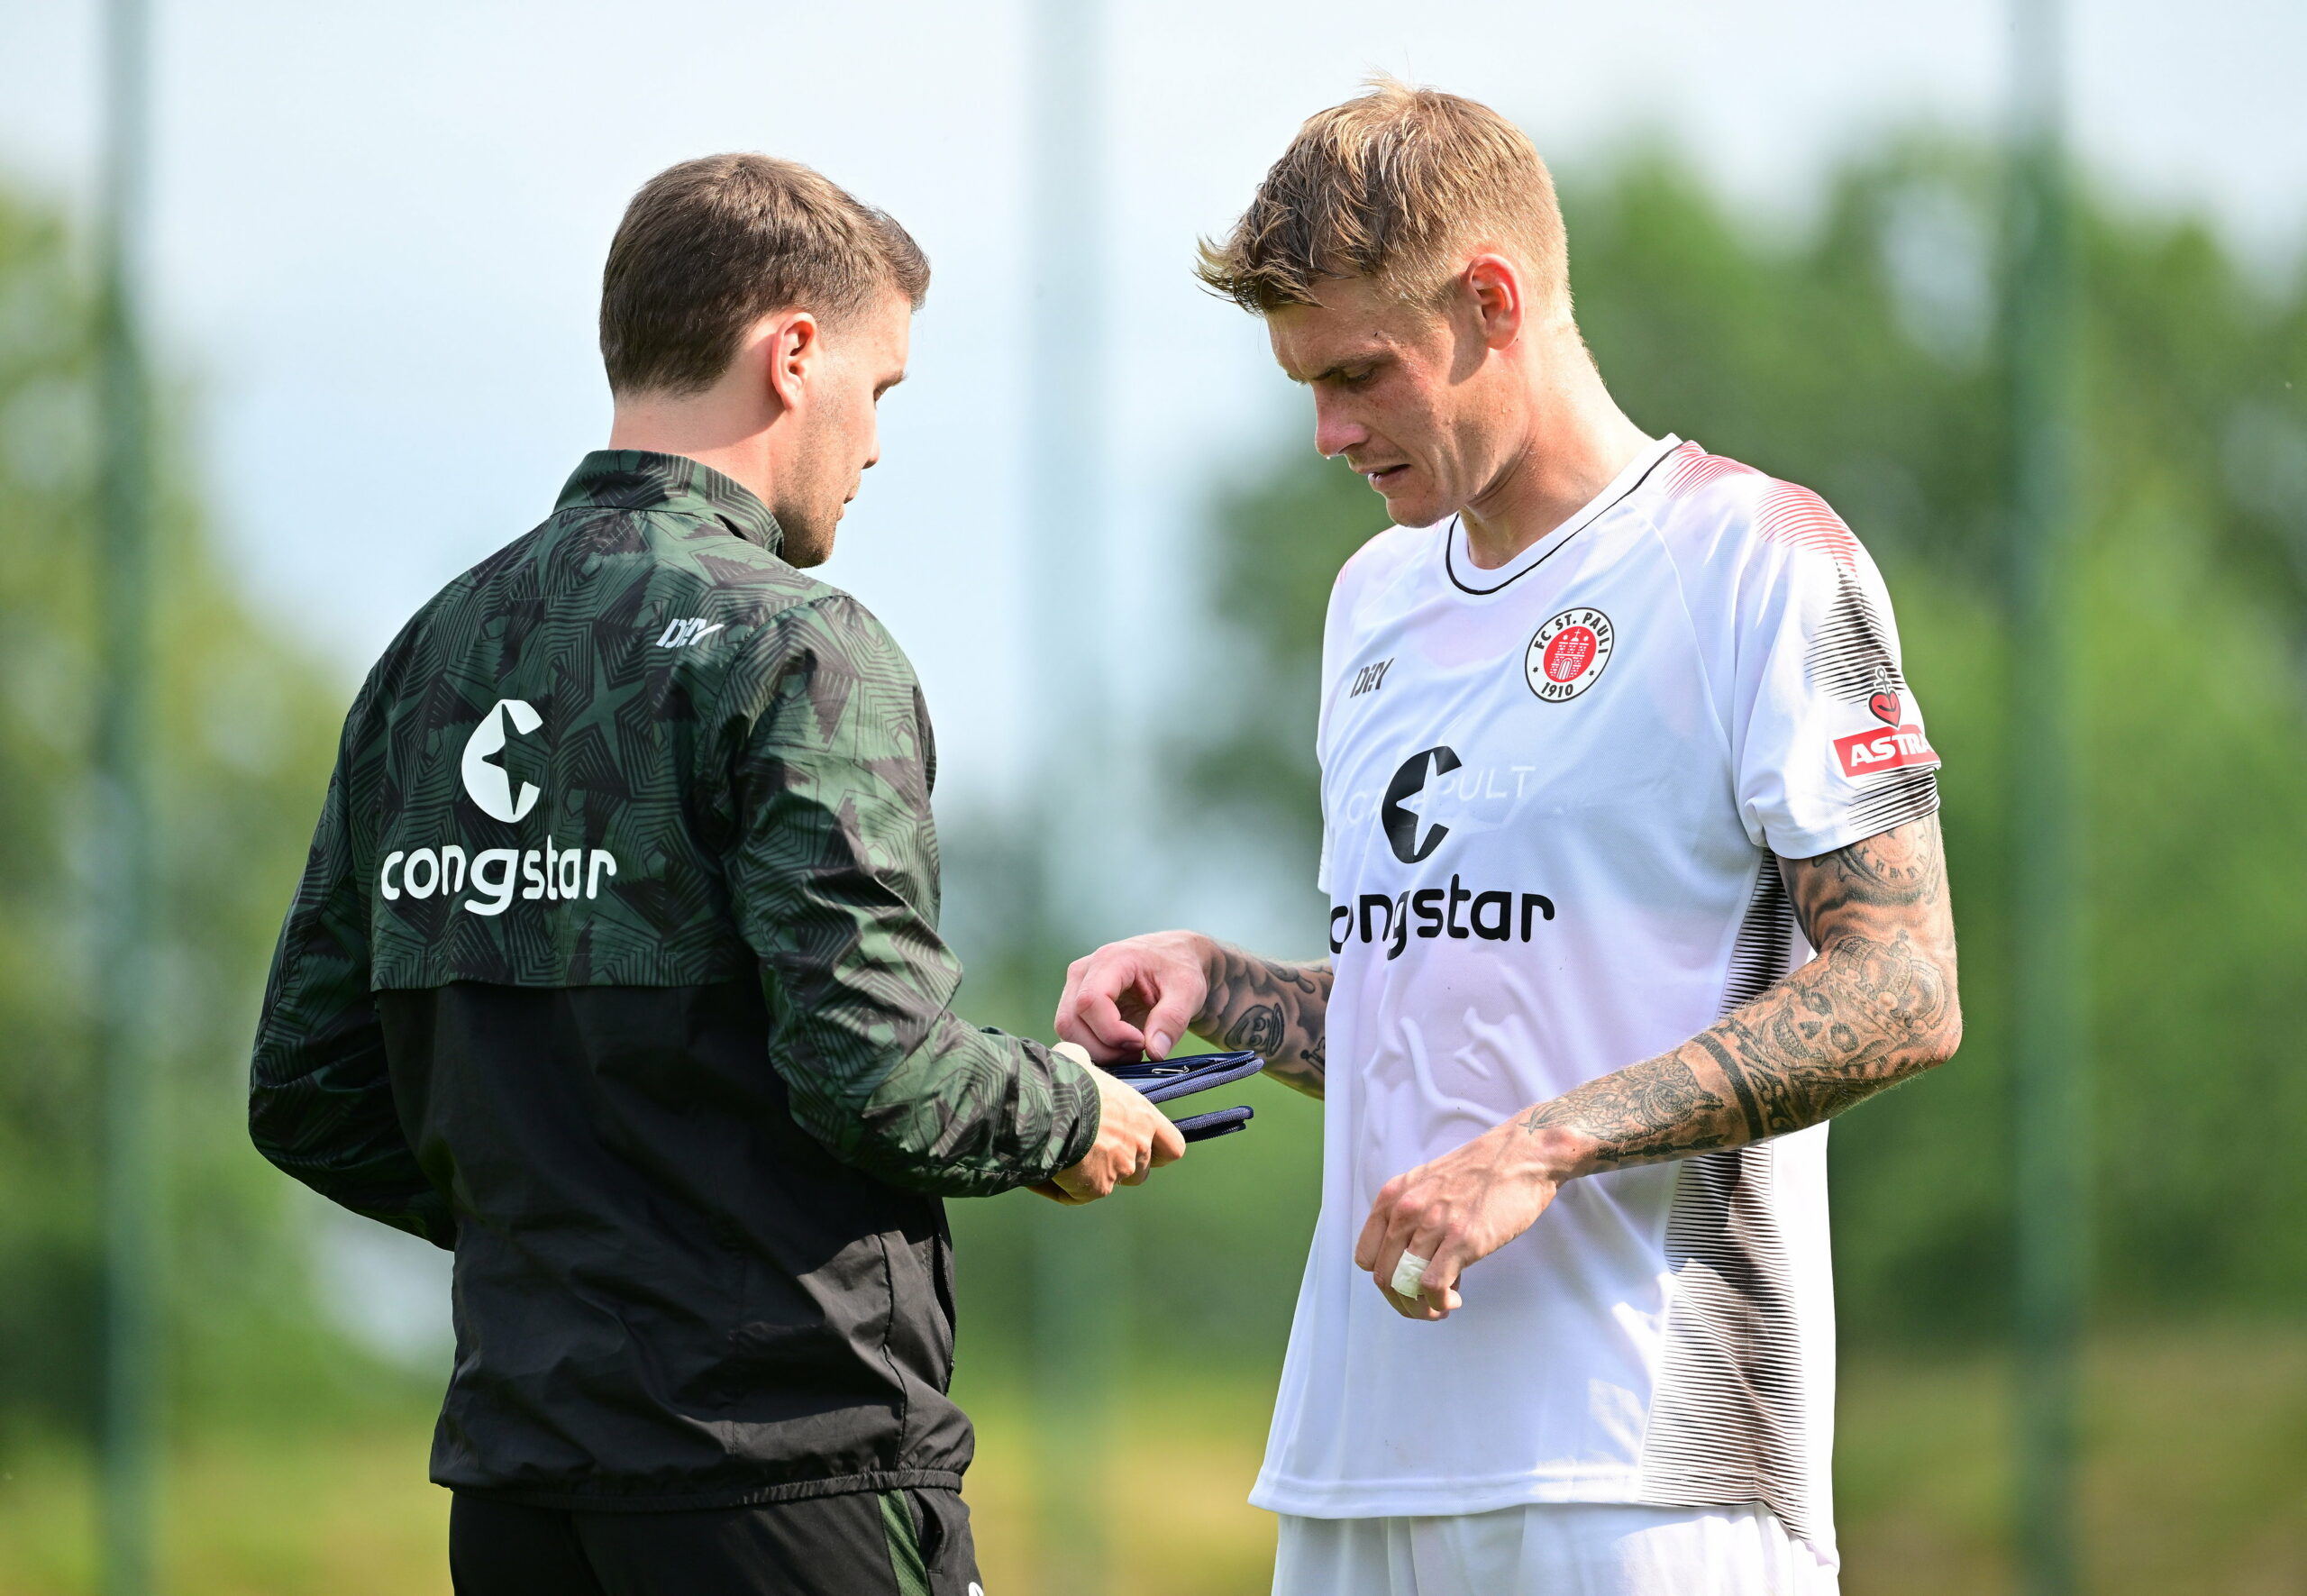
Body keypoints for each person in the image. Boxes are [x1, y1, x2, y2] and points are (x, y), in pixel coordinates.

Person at [1056, 80, 1961, 1596]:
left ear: (1494, 302)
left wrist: (1543, 1149)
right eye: (1305, 388)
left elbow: (1906, 986)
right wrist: (1217, 980)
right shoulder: (1374, 603)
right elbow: (1429, 1011)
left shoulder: (1753, 558)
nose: (1332, 432)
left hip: (1642, 1467)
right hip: (1359, 1462)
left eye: (1360, 374)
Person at [250, 152, 1184, 1596]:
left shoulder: (429, 656)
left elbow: (308, 1088)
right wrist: (1066, 1112)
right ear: (794, 354)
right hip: (784, 1475)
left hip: (520, 1491)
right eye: (882, 392)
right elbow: (877, 1070)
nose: (874, 449)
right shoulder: (799, 646)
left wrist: (566, 1237)